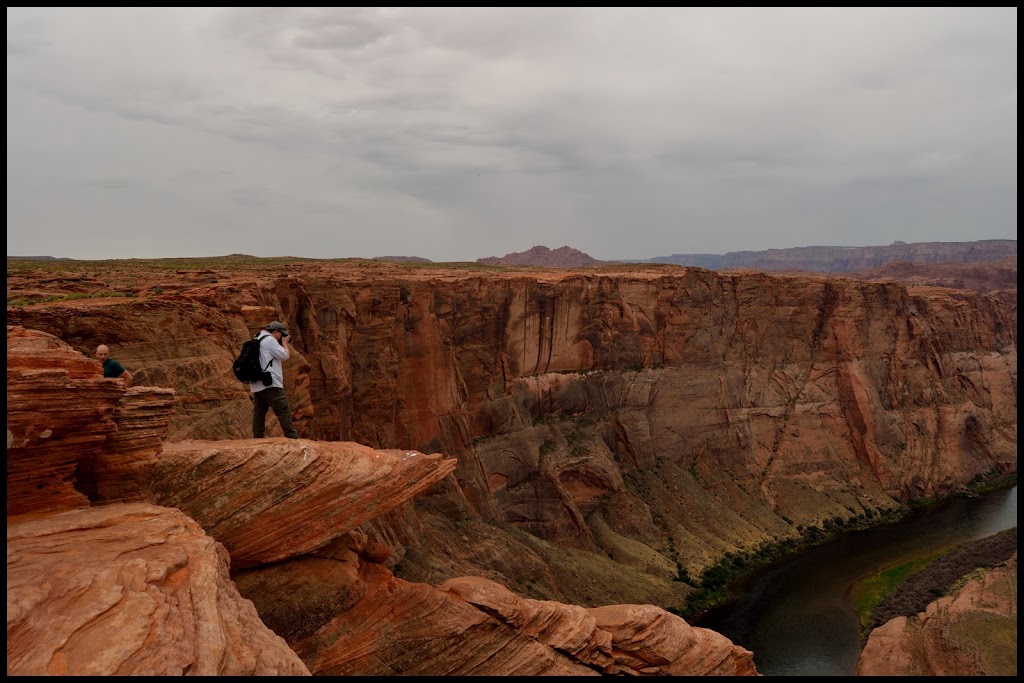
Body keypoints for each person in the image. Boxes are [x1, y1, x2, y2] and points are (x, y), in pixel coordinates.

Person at [250, 320, 299, 439]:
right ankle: (291, 436)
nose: (281, 337)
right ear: (276, 332)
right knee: (283, 410)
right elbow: (284, 355)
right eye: (281, 334)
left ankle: (258, 437)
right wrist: (285, 342)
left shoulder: (257, 339)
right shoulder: (270, 340)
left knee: (259, 413)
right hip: (270, 383)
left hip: (257, 384)